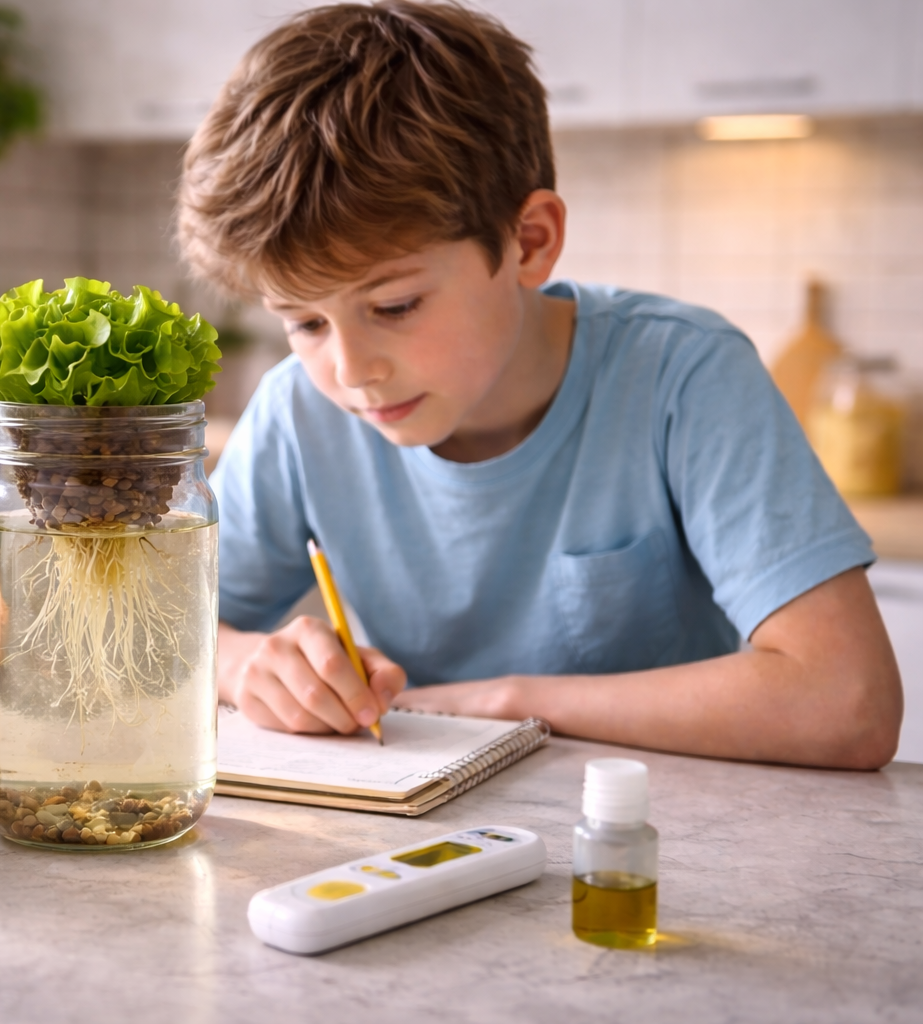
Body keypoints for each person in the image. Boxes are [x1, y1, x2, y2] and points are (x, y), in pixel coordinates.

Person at [177, 1, 901, 769]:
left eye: (394, 306)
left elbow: (848, 703)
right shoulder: (299, 411)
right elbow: (152, 638)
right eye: (306, 324)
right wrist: (239, 663)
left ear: (530, 242)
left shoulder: (683, 374)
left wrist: (510, 703)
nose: (350, 372)